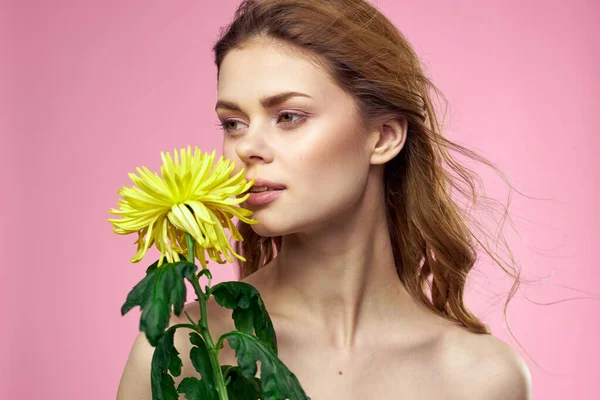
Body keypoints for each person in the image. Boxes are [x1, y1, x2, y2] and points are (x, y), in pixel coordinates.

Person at [118, 0, 532, 398]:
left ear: (385, 136)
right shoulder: (181, 349)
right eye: (234, 123)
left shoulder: (482, 379)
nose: (247, 149)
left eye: (288, 116)